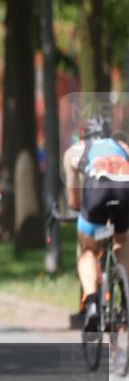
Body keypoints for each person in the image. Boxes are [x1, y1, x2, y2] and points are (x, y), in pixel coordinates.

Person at [62, 116, 129, 331]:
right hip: (125, 188)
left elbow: (74, 200)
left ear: (84, 135)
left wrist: (83, 211)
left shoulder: (76, 151)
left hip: (98, 190)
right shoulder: (123, 146)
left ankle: (91, 304)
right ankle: (126, 299)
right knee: (123, 244)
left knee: (88, 251)